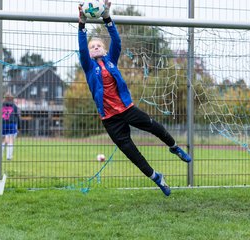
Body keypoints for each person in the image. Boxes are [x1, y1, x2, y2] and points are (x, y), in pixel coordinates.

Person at [78, 0, 192, 196]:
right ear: (89, 53)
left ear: (104, 50)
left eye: (98, 45)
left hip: (127, 109)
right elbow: (81, 47)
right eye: (92, 46)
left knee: (154, 126)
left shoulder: (111, 60)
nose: (95, 47)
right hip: (110, 119)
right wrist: (81, 24)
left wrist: (106, 17)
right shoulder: (89, 67)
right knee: (131, 152)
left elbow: (117, 41)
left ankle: (174, 147)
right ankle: (157, 177)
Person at [2, 93, 20, 160]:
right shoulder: (14, 106)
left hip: (3, 124)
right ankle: (9, 156)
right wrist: (19, 127)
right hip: (12, 124)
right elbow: (17, 116)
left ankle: (0, 155)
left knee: (3, 140)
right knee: (11, 140)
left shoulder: (1, 105)